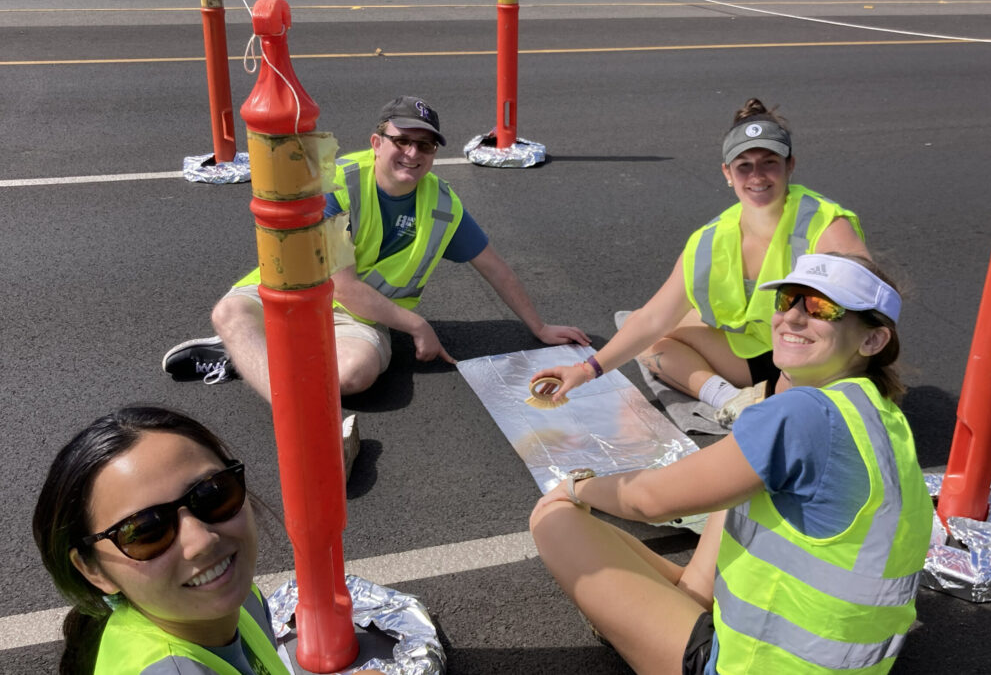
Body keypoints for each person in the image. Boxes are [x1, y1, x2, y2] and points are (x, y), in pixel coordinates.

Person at [529, 253, 932, 675]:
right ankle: (682, 603)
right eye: (788, 301)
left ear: (873, 340)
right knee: (735, 481)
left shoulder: (804, 415)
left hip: (756, 665)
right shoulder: (878, 411)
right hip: (846, 664)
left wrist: (576, 486)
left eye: (821, 308)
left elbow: (648, 501)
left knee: (557, 519)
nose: (792, 318)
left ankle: (633, 629)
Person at [162, 96, 588, 473]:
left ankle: (250, 355)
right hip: (296, 288)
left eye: (425, 145)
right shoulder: (335, 182)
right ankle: (311, 431)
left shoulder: (442, 204)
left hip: (363, 317)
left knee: (354, 376)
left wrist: (539, 327)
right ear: (376, 142)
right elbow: (341, 283)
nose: (412, 153)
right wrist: (417, 325)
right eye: (401, 140)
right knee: (230, 312)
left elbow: (495, 267)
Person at [531, 98, 868, 428]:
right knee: (644, 328)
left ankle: (773, 402)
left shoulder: (824, 223)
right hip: (768, 354)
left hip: (814, 364)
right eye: (744, 165)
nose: (757, 176)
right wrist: (585, 371)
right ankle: (732, 400)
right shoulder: (710, 238)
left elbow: (869, 309)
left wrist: (843, 385)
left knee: (655, 336)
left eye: (769, 162)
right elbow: (651, 319)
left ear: (789, 165)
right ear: (727, 172)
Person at [32, 406, 288, 674]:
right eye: (145, 531)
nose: (201, 541)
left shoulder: (241, 598)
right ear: (92, 570)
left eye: (212, 493)